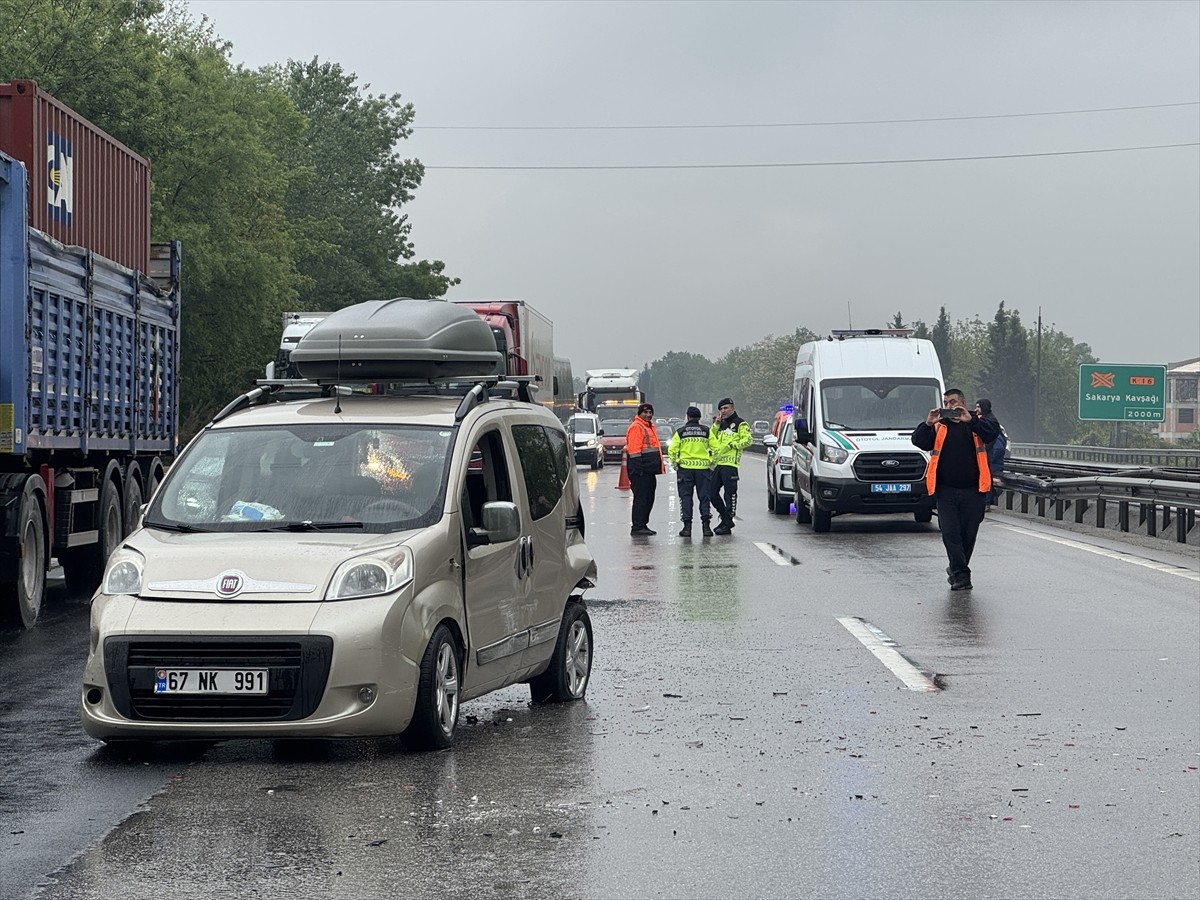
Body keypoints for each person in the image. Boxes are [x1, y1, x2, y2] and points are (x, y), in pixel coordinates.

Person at [912, 388, 1000, 591]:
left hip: (974, 491)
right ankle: (962, 575)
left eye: (952, 402)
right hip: (945, 491)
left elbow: (993, 434)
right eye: (946, 402)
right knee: (950, 534)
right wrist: (928, 423)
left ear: (962, 402)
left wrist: (971, 421)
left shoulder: (976, 423)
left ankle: (956, 569)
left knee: (967, 536)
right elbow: (918, 441)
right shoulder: (939, 426)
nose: (949, 406)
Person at [708, 397, 753, 535]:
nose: (723, 411)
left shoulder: (740, 423)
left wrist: (734, 445)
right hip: (717, 464)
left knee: (730, 495)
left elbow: (748, 440)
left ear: (732, 408)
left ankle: (727, 522)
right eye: (721, 409)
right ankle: (726, 519)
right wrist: (716, 424)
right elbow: (710, 437)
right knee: (711, 493)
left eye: (725, 408)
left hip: (730, 464)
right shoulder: (719, 424)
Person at [668, 406, 714, 537]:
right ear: (699, 418)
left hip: (685, 470)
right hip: (703, 470)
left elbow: (672, 450)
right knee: (704, 497)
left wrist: (675, 464)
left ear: (687, 417)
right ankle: (706, 527)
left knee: (686, 498)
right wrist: (712, 463)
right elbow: (717, 449)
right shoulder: (706, 431)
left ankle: (687, 528)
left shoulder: (681, 432)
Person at [625, 402, 664, 536]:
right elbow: (634, 451)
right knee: (641, 499)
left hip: (648, 471)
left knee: (648, 498)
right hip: (641, 471)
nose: (648, 415)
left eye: (650, 412)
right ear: (639, 413)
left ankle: (643, 524)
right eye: (645, 412)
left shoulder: (649, 426)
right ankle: (637, 526)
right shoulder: (637, 427)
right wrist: (639, 470)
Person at [974, 398, 1008, 506]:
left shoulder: (990, 421)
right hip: (986, 455)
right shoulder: (983, 419)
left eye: (978, 407)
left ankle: (987, 501)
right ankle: (987, 500)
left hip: (989, 456)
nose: (976, 409)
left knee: (987, 478)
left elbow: (993, 442)